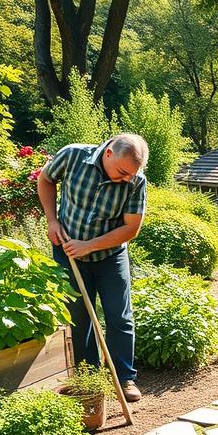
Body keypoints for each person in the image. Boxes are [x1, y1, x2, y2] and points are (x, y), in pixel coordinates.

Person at [37, 133, 149, 402]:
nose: (125, 180)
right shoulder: (72, 155)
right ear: (109, 152)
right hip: (68, 253)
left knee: (119, 317)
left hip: (110, 257)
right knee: (79, 317)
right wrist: (52, 220)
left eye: (130, 176)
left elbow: (131, 228)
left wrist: (90, 245)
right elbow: (46, 179)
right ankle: (89, 378)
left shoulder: (136, 181)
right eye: (122, 173)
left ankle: (124, 378)